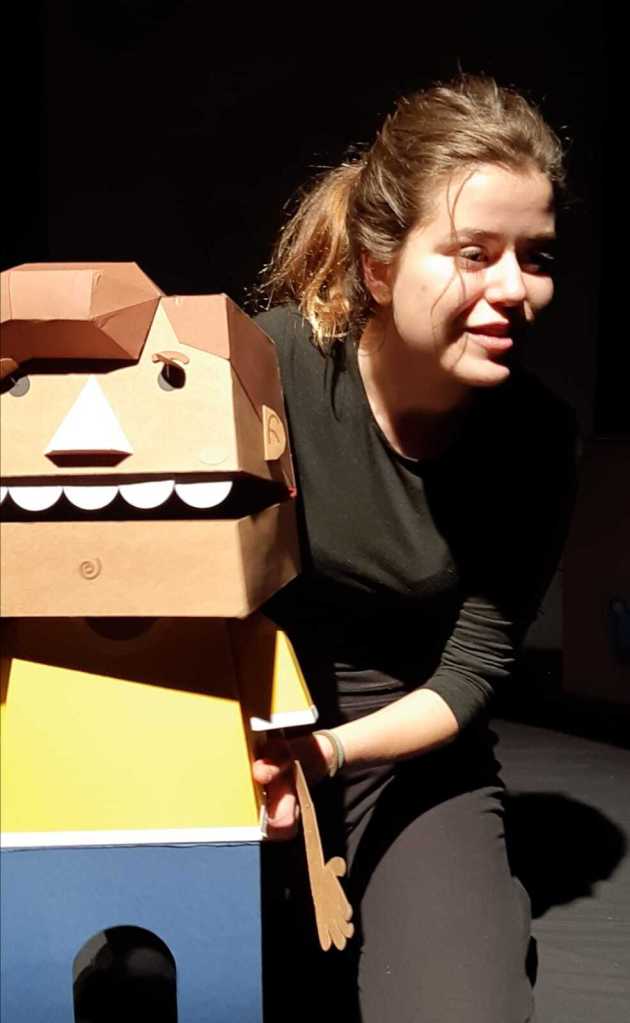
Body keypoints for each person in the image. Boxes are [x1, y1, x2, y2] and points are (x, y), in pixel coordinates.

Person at [251, 74, 578, 1023]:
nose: (515, 290)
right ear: (379, 269)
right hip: (246, 705)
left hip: (403, 734)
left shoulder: (535, 440)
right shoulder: (269, 369)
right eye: (474, 253)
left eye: (536, 256)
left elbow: (473, 670)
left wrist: (327, 751)